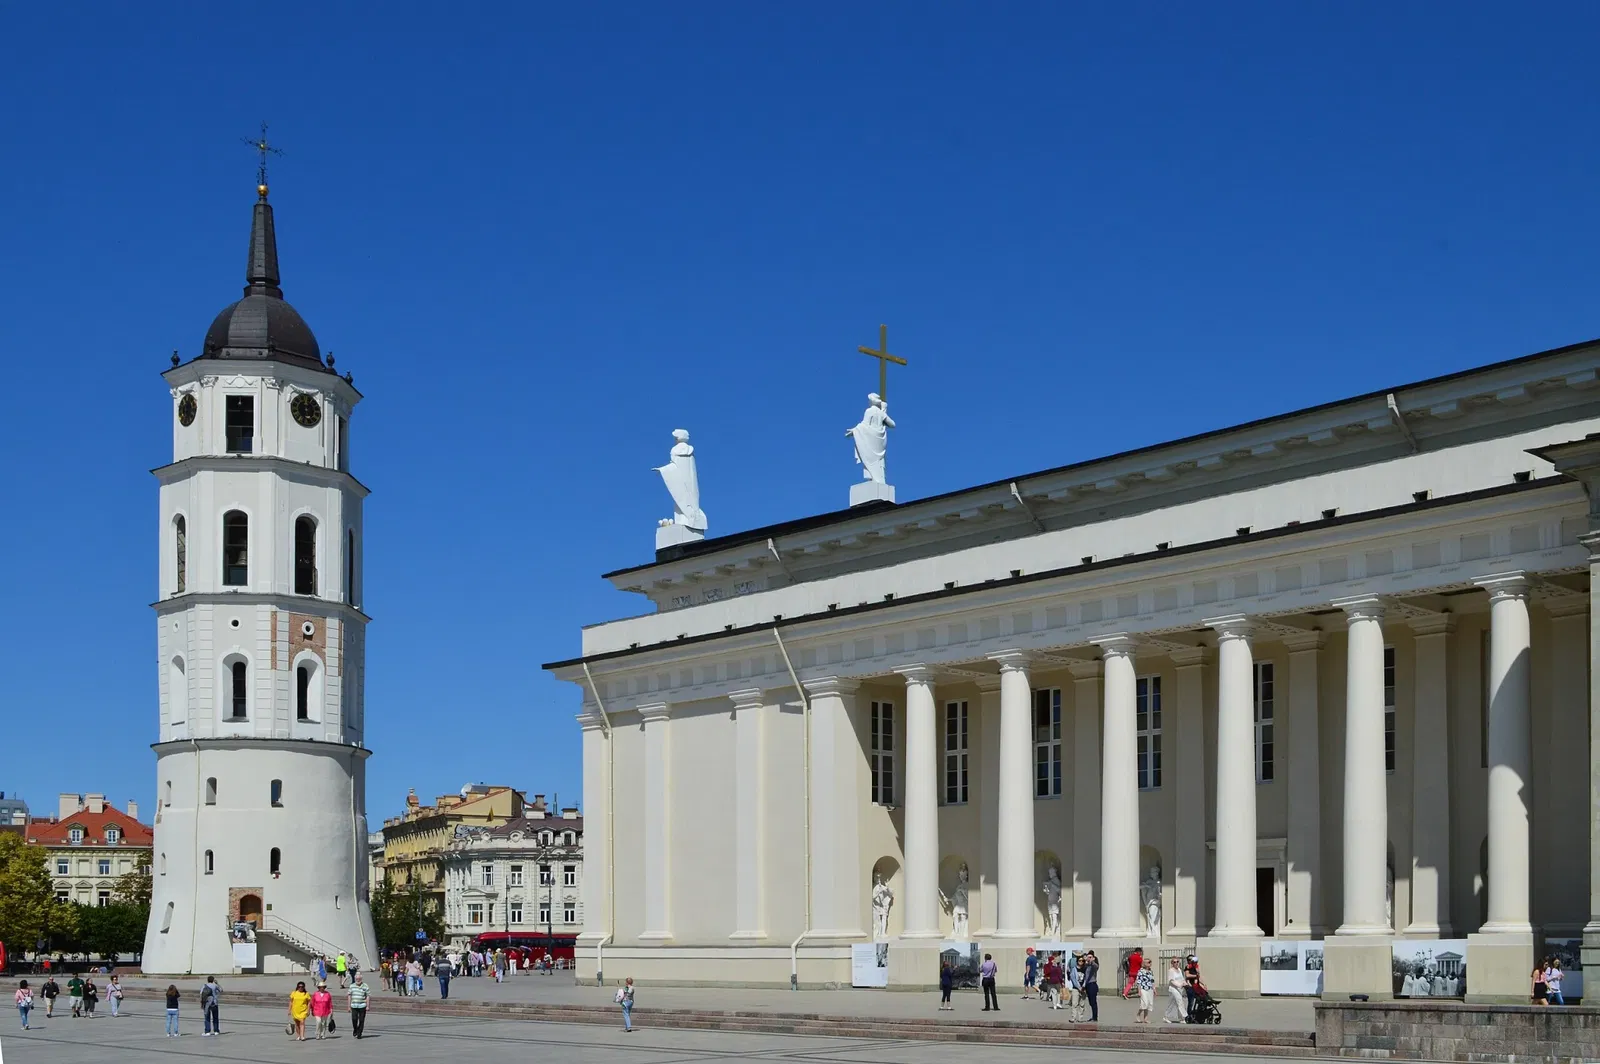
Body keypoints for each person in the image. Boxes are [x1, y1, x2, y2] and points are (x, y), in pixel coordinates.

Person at [347, 972, 370, 1038]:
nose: (358, 980)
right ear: (355, 979)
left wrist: (368, 1006)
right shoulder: (352, 986)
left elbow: (368, 996)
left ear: (361, 979)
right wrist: (348, 1006)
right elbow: (349, 996)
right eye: (357, 979)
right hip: (354, 1005)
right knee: (354, 1019)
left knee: (361, 1020)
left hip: (362, 1005)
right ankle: (355, 1029)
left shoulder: (365, 986)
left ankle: (359, 1033)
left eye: (359, 979)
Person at [1165, 957, 1186, 1023]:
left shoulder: (1179, 970)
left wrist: (1185, 984)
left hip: (1179, 989)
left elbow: (1182, 979)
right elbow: (1171, 981)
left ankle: (1167, 1016)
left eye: (1177, 961)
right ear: (1172, 963)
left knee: (1173, 1004)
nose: (1176, 963)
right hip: (1173, 989)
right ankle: (1184, 1017)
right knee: (1180, 1002)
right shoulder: (1171, 970)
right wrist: (1179, 985)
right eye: (1174, 962)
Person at [1066, 951, 1084, 1021]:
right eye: (1079, 960)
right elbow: (1073, 977)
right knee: (1074, 1003)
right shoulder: (1074, 969)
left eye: (1082, 961)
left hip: (1083, 988)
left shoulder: (1085, 969)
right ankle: (1073, 1017)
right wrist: (1078, 987)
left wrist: (1083, 986)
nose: (1081, 962)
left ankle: (1080, 1018)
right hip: (1076, 987)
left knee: (1082, 1004)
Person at [1135, 959, 1155, 1023]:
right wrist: (1139, 991)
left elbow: (1152, 981)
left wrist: (1154, 989)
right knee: (1144, 1003)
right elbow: (1139, 981)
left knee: (1149, 1004)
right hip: (1143, 989)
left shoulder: (1150, 971)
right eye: (1148, 962)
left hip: (1150, 989)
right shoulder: (1141, 971)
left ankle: (1145, 1018)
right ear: (1144, 964)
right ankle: (1138, 1014)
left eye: (1150, 962)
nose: (1150, 963)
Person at [1083, 949, 1100, 1022]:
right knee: (1090, 1002)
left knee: (1093, 1002)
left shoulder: (1094, 966)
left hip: (1092, 984)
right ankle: (1093, 1016)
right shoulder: (1087, 966)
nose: (1089, 958)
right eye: (1088, 957)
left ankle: (1095, 1017)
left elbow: (1096, 966)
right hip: (1087, 985)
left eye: (1091, 957)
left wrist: (1092, 961)